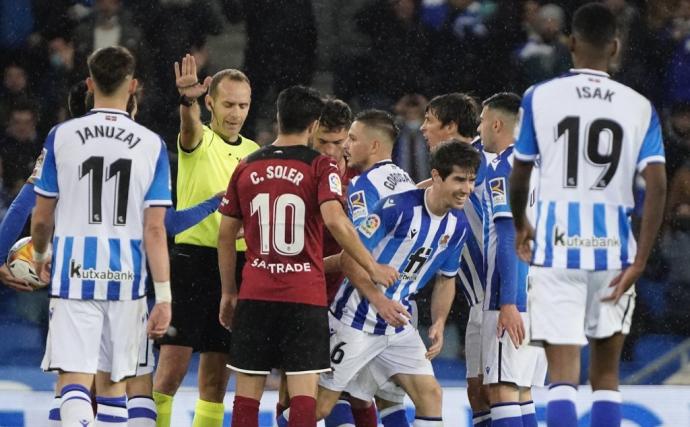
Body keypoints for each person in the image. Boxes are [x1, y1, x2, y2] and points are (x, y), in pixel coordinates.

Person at [509, 4, 667, 427]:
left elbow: (520, 170)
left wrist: (522, 224)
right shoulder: (639, 106)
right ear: (615, 46)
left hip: (557, 249)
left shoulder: (540, 97)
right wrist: (641, 259)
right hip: (614, 254)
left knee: (562, 376)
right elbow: (657, 185)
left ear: (571, 43)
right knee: (606, 376)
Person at [217, 85, 397, 427]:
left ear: (277, 118)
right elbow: (334, 220)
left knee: (246, 398)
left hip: (256, 293)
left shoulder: (246, 166)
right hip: (305, 296)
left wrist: (229, 291)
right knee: (304, 397)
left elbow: (225, 236)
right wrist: (371, 265)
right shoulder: (321, 167)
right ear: (314, 125)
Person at [30, 46, 172, 426]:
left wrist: (40, 259)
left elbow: (41, 217)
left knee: (73, 380)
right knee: (113, 387)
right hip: (127, 279)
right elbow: (155, 228)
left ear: (90, 84)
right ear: (134, 86)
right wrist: (165, 296)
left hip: (74, 273)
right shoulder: (152, 144)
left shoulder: (61, 136)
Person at [300, 140, 480, 427]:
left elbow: (447, 280)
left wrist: (439, 322)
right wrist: (379, 299)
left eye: (471, 180)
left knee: (431, 395)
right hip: (354, 319)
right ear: (436, 176)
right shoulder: (397, 208)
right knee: (319, 408)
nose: (466, 189)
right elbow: (349, 259)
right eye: (459, 179)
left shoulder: (457, 226)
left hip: (396, 324)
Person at [153, 54, 259, 427]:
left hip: (237, 266)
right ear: (210, 101)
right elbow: (189, 127)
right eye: (228, 104)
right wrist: (187, 101)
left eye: (243, 105)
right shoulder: (198, 137)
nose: (236, 113)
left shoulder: (254, 153)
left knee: (215, 381)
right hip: (192, 262)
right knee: (170, 374)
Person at [323, 109, 418, 427]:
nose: (345, 146)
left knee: (322, 396)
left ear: (374, 146)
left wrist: (312, 267)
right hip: (402, 299)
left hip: (364, 305)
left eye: (352, 139)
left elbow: (360, 250)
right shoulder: (403, 178)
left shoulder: (363, 185)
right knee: (386, 399)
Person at [420, 93, 493, 425]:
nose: (423, 129)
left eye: (429, 121)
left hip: (500, 296)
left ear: (450, 127)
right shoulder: (459, 165)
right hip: (477, 299)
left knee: (504, 391)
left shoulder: (488, 161)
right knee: (478, 392)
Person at [477, 92, 546, 427]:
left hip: (512, 293)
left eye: (481, 121)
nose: (479, 129)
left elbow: (510, 235)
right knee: (521, 391)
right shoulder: (542, 165)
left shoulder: (504, 168)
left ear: (497, 123)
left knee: (502, 390)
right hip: (543, 292)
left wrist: (508, 302)